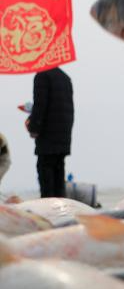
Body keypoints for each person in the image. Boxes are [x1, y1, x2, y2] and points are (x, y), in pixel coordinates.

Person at [25, 66, 74, 197]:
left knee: (47, 183)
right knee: (59, 183)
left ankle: (49, 209)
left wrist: (33, 127)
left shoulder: (42, 76)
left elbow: (40, 106)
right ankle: (61, 209)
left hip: (48, 140)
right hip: (63, 138)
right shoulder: (65, 78)